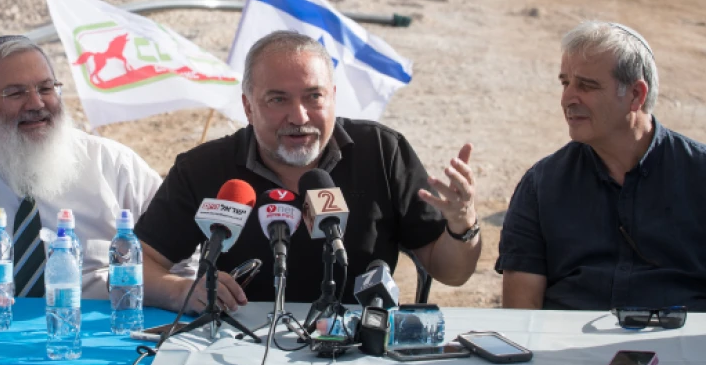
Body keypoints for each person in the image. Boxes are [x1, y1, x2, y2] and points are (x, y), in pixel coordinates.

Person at [135, 31, 482, 314]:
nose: (299, 117)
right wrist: (178, 291)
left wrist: (462, 224)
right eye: (278, 99)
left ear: (333, 97)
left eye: (313, 97)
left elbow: (451, 271)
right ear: (248, 107)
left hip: (356, 353)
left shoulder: (382, 151)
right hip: (239, 350)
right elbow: (135, 267)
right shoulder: (203, 168)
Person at [0, 35, 168, 329]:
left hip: (101, 333)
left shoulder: (114, 164)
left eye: (46, 88)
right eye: (15, 93)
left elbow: (178, 252)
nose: (36, 103)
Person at [497, 21, 706, 311]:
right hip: (564, 352)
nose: (567, 98)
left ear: (636, 95)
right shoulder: (541, 185)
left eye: (586, 85)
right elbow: (521, 315)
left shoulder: (698, 176)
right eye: (565, 82)